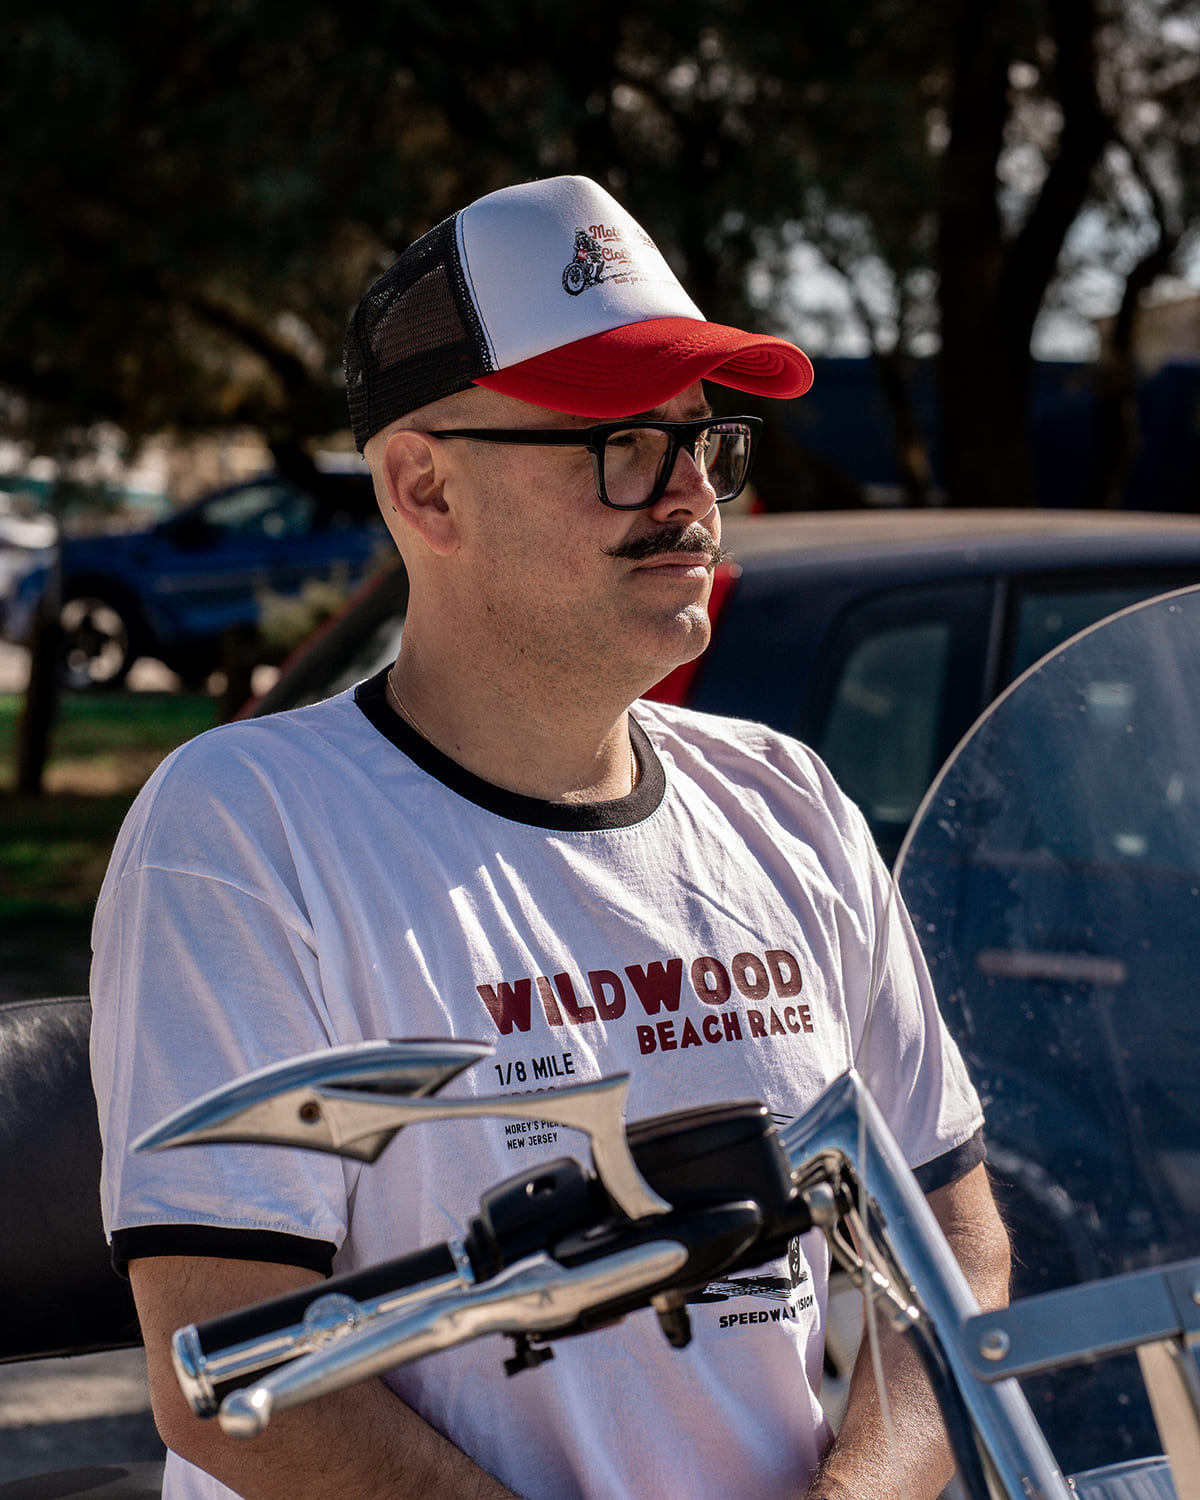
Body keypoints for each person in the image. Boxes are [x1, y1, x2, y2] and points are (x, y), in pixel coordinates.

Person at [91, 174, 1009, 1500]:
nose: (690, 495)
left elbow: (953, 1245)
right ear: (426, 490)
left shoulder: (789, 805)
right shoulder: (248, 828)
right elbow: (228, 1373)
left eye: (704, 438)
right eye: (623, 442)